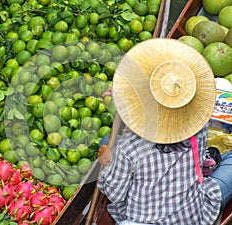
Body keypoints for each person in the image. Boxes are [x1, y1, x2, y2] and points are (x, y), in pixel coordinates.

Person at [96, 38, 232, 225]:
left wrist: (108, 164)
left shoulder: (129, 147)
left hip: (141, 219)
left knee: (106, 142)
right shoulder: (199, 127)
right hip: (191, 217)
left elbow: (115, 194)